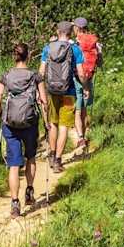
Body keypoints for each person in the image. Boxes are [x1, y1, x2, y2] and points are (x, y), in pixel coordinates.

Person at [0, 42, 48, 218]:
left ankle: (15, 203)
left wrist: (2, 114)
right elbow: (44, 101)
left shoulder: (6, 75)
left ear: (14, 56)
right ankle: (29, 191)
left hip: (10, 124)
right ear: (29, 56)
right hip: (30, 123)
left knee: (14, 165)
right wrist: (46, 123)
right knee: (31, 157)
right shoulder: (35, 76)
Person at [39, 21, 85, 172]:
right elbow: (81, 73)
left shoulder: (47, 48)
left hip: (52, 91)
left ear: (58, 32)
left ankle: (52, 155)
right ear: (70, 33)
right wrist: (84, 86)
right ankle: (58, 160)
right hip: (69, 92)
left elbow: (41, 72)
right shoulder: (75, 49)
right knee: (64, 126)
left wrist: (40, 92)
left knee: (53, 123)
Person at [72, 16, 103, 151]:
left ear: (77, 28)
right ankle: (84, 136)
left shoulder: (75, 43)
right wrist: (99, 53)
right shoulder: (94, 42)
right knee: (84, 109)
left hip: (76, 78)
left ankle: (80, 138)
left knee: (78, 111)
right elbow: (100, 63)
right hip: (88, 79)